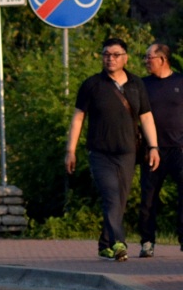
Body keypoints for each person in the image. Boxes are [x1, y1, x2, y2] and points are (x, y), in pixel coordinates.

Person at [66, 38, 161, 261]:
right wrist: (70, 150)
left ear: (125, 58)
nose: (110, 58)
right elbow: (78, 118)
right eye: (106, 54)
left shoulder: (137, 84)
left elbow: (146, 117)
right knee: (111, 196)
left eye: (115, 54)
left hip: (127, 152)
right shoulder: (92, 85)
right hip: (100, 152)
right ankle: (119, 242)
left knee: (121, 199)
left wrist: (154, 147)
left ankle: (104, 245)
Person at [139, 43, 183, 258]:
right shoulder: (142, 84)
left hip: (179, 150)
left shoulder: (180, 82)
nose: (146, 61)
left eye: (150, 57)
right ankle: (147, 242)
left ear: (163, 59)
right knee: (148, 197)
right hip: (153, 150)